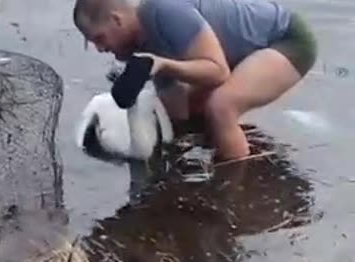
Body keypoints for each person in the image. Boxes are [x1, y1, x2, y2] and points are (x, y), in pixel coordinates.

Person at [72, 0, 317, 162]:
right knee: (196, 112)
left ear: (117, 20)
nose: (100, 49)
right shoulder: (144, 47)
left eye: (99, 38)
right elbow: (178, 110)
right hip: (238, 53)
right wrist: (172, 154)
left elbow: (218, 71)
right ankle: (233, 150)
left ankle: (237, 192)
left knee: (221, 107)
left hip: (286, 40)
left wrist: (165, 65)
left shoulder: (163, 12)